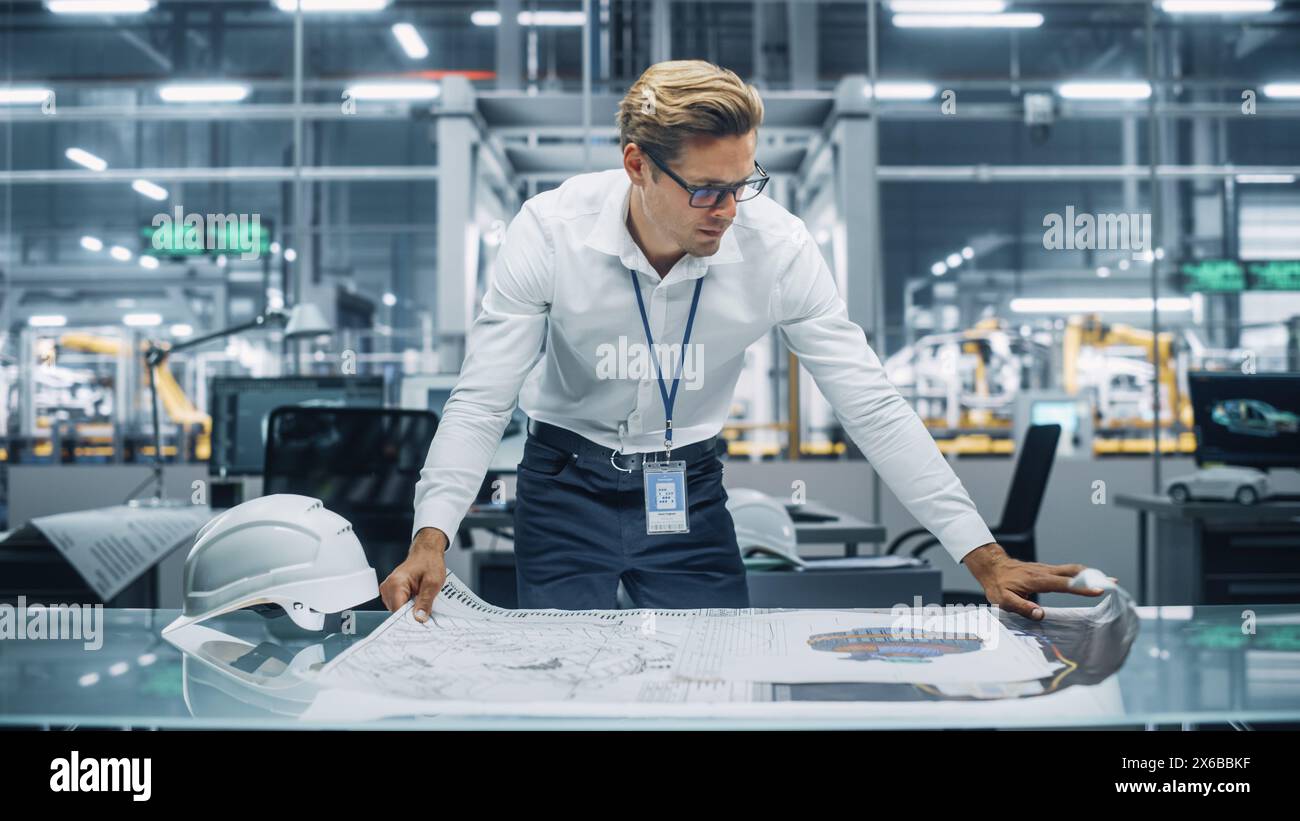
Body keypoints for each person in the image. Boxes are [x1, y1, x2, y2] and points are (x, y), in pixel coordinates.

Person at [380, 59, 1106, 622]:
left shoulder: (778, 246)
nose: (728, 210)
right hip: (565, 482)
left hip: (688, 485)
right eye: (705, 190)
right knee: (567, 686)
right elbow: (481, 398)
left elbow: (871, 403)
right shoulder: (549, 232)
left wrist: (979, 553)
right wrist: (432, 533)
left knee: (717, 684)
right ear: (636, 165)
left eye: (743, 183)